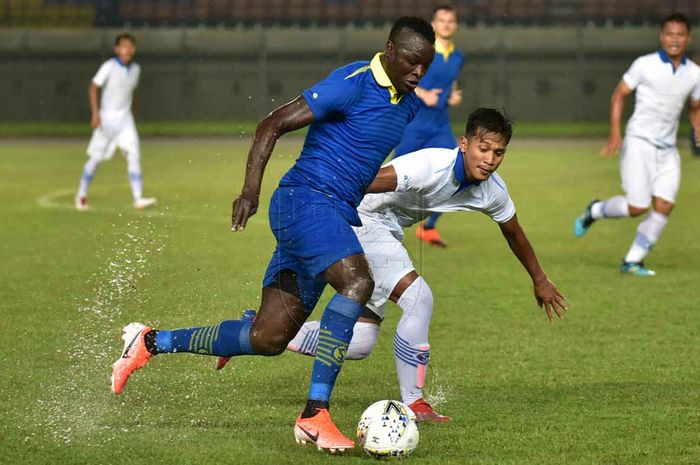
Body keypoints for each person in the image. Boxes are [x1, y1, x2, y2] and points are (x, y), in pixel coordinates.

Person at [109, 17, 435, 454]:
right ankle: (314, 415)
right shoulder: (353, 82)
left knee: (268, 338)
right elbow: (271, 124)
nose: (418, 72)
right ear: (390, 49)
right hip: (306, 203)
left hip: (331, 216)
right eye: (412, 61)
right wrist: (249, 191)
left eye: (425, 66)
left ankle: (149, 342)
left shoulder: (408, 103)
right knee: (358, 282)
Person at [240, 108, 565, 423]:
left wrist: (539, 278)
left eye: (499, 152)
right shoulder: (430, 166)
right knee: (418, 298)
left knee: (362, 341)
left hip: (388, 230)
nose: (490, 160)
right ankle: (415, 403)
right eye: (483, 149)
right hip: (364, 218)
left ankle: (266, 329)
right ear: (464, 144)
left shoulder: (492, 190)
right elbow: (364, 183)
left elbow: (514, 233)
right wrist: (316, 216)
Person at [574, 13, 700, 276]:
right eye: (669, 33)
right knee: (637, 207)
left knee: (664, 205)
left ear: (688, 38)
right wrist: (615, 133)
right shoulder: (644, 64)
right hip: (639, 142)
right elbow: (619, 95)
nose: (674, 39)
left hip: (667, 149)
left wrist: (697, 127)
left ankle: (633, 260)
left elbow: (695, 106)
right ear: (661, 36)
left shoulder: (695, 73)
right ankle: (595, 210)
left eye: (680, 35)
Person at [394, 5, 465, 248]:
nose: (445, 24)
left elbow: (449, 83)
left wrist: (452, 95)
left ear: (455, 25)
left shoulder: (458, 57)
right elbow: (399, 75)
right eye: (441, 20)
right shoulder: (422, 51)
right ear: (433, 24)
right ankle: (364, 216)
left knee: (459, 173)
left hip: (440, 125)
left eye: (450, 20)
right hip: (414, 122)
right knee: (391, 174)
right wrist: (422, 93)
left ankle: (429, 226)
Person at [75, 33, 157, 211]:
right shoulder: (109, 66)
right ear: (117, 49)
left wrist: (133, 114)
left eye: (131, 46)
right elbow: (93, 88)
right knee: (96, 158)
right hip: (107, 120)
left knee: (134, 155)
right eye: (124, 46)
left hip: (125, 120)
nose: (128, 49)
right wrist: (95, 114)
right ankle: (81, 195)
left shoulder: (136, 69)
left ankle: (138, 198)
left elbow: (131, 93)